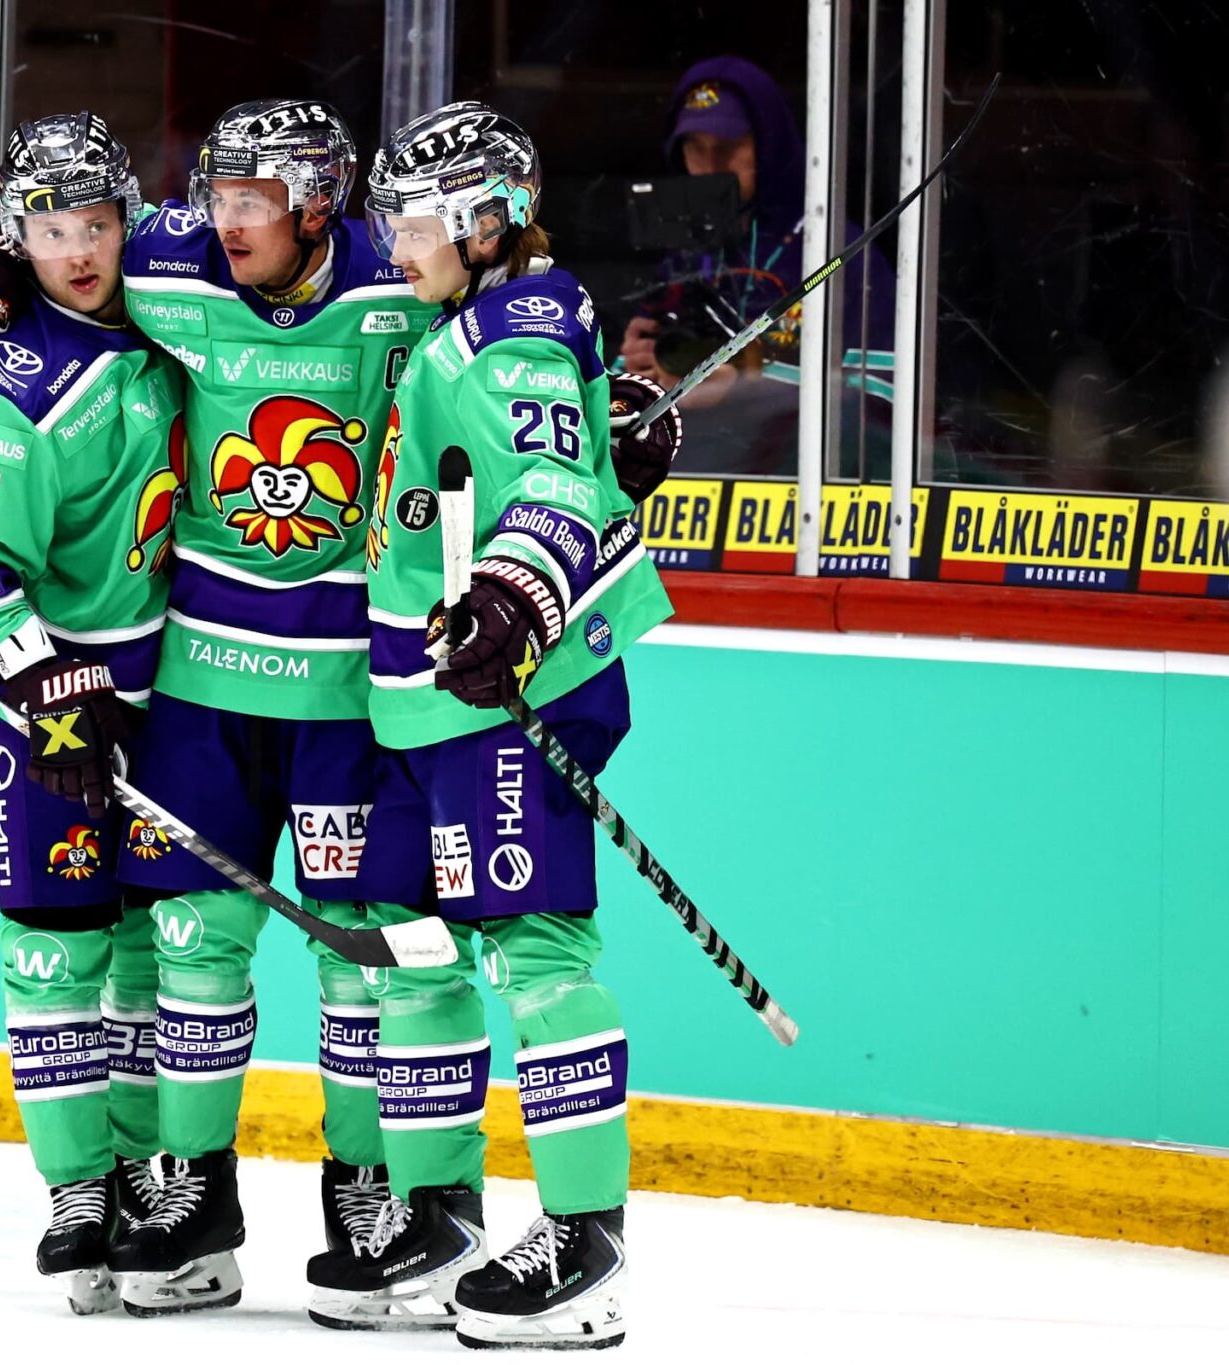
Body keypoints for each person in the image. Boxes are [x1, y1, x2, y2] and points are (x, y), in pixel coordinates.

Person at [0, 97, 455, 1323]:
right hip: (172, 691)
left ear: (317, 202)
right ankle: (170, 1194)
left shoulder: (383, 273)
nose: (221, 220)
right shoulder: (154, 270)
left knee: (347, 950)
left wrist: (602, 415)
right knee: (162, 943)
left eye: (250, 200)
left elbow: (499, 328)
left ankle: (368, 1193)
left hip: (333, 686)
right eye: (214, 195)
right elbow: (49, 246)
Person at [304, 101, 679, 1351]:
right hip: (420, 696)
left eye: (416, 224)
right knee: (406, 944)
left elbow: (552, 487)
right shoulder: (459, 322)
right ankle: (437, 1215)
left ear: (487, 220)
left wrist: (514, 596)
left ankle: (584, 1241)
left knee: (535, 951)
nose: (395, 244)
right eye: (391, 222)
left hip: (512, 687)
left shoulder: (509, 333)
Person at [0, 111, 181, 1317]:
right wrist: (36, 676)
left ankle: (141, 1175)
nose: (77, 250)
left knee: (154, 948)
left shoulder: (183, 312)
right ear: (22, 238)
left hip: (170, 691)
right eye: (49, 230)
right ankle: (77, 1190)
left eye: (97, 223)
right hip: (47, 703)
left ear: (132, 219)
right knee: (56, 944)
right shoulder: (9, 388)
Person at [620, 57, 894, 476]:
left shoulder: (839, 252)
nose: (711, 166)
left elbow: (882, 398)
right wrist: (636, 376)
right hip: (691, 483)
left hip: (805, 483)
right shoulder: (683, 260)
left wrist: (744, 390)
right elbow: (632, 407)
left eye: (728, 147)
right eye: (695, 148)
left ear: (767, 146)